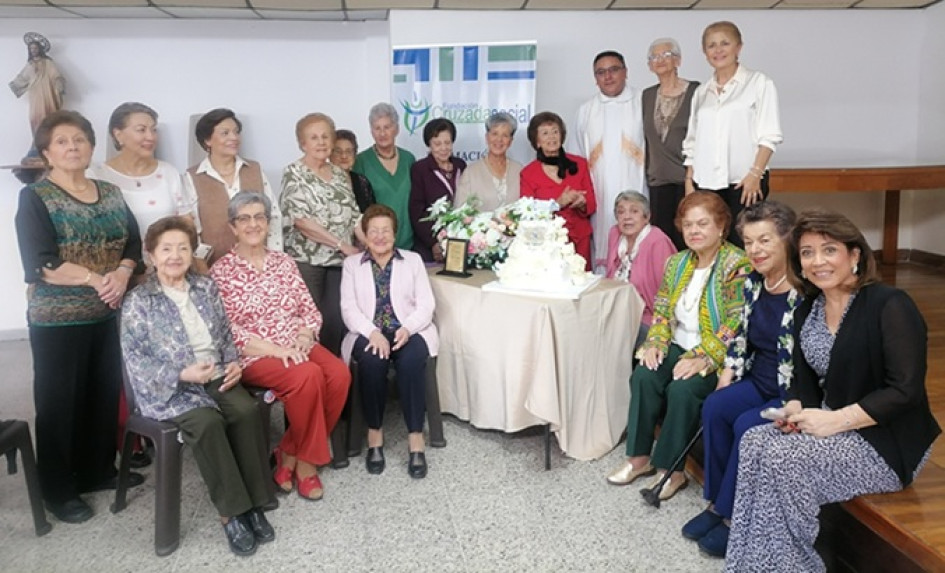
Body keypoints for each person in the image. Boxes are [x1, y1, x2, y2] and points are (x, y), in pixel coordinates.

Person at [725, 210, 941, 572]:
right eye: (807, 253)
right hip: (829, 421)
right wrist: (795, 409)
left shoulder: (890, 305)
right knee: (754, 441)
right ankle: (751, 564)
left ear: (854, 255)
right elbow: (799, 377)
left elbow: (905, 391)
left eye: (829, 250)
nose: (817, 261)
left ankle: (794, 566)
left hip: (885, 439)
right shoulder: (808, 306)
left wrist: (836, 420)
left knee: (783, 460)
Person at [14, 110, 143, 524]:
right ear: (47, 152)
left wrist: (122, 274)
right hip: (58, 319)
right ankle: (58, 488)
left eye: (80, 140)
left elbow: (134, 244)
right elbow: (40, 262)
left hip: (105, 314)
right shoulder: (36, 197)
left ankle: (95, 470)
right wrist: (95, 278)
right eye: (62, 141)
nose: (72, 147)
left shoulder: (109, 191)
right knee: (59, 402)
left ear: (91, 147)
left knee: (101, 395)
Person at [121, 216, 275, 557]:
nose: (175, 256)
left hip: (215, 373)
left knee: (245, 410)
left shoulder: (205, 288)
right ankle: (232, 512)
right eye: (166, 249)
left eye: (183, 248)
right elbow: (136, 360)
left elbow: (225, 337)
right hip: (171, 387)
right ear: (151, 255)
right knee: (208, 422)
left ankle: (256, 502)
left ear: (192, 253)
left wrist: (234, 362)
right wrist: (181, 372)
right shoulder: (139, 301)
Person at [606, 191, 749, 501]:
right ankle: (639, 458)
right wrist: (656, 342)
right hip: (677, 342)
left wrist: (703, 356)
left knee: (682, 388)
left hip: (715, 354)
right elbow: (661, 309)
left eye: (702, 224)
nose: (694, 232)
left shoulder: (737, 264)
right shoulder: (677, 262)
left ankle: (672, 471)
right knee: (644, 373)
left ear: (721, 226)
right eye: (688, 225)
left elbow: (737, 321)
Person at [680, 201, 802, 558]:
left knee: (749, 426)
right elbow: (740, 335)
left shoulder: (803, 290)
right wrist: (728, 373)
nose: (755, 250)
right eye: (749, 242)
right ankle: (719, 503)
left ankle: (737, 518)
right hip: (758, 378)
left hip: (789, 388)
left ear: (787, 239)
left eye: (765, 241)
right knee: (716, 405)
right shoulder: (754, 283)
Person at [212, 192, 351, 500]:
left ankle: (290, 453)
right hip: (255, 353)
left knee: (339, 375)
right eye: (244, 218)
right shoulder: (222, 271)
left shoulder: (284, 262)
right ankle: (307, 467)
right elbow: (225, 330)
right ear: (233, 227)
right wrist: (277, 351)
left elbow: (308, 308)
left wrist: (305, 335)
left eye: (259, 217)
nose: (253, 224)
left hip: (296, 343)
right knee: (307, 376)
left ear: (268, 222)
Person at [340, 205, 439, 479]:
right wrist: (371, 332)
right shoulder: (351, 265)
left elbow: (426, 304)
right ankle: (374, 434)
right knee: (372, 361)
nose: (380, 236)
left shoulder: (413, 260)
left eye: (386, 231)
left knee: (411, 362)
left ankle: (416, 438)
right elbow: (349, 309)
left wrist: (407, 328)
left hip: (408, 330)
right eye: (374, 231)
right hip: (368, 333)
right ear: (365, 235)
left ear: (395, 234)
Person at [683, 21, 783, 248]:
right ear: (704, 52)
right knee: (709, 244)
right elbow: (692, 141)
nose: (718, 50)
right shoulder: (701, 92)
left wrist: (755, 174)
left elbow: (769, 135)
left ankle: (744, 285)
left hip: (745, 182)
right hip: (706, 182)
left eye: (724, 43)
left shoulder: (759, 83)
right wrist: (689, 181)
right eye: (711, 45)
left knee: (744, 243)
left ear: (738, 47)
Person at [281, 113, 363, 356]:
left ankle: (336, 377)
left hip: (340, 262)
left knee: (336, 322)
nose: (321, 142)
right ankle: (314, 379)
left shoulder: (339, 173)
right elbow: (301, 221)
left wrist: (367, 242)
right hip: (308, 263)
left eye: (326, 136)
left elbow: (354, 215)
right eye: (314, 137)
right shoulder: (293, 173)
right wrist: (341, 244)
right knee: (309, 324)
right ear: (302, 143)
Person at [575, 50, 647, 273]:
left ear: (625, 72)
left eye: (614, 70)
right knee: (604, 239)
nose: (608, 76)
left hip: (638, 185)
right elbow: (578, 155)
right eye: (601, 72)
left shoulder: (643, 102)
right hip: (601, 192)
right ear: (595, 78)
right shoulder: (586, 111)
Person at [183, 108, 283, 265]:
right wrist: (202, 268)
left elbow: (274, 217)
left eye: (236, 132)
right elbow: (194, 231)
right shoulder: (192, 177)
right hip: (216, 266)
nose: (234, 137)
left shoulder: (254, 169)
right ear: (207, 140)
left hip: (261, 264)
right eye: (225, 133)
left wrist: (276, 259)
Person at [87, 102, 190, 244]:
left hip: (166, 262)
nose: (151, 137)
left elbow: (187, 223)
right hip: (115, 263)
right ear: (118, 135)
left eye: (153, 130)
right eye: (141, 130)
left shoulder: (169, 173)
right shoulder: (96, 176)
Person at [641, 38, 699, 251]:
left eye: (666, 55)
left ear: (678, 60)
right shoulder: (646, 96)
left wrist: (690, 179)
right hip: (658, 182)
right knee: (662, 244)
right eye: (654, 57)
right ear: (649, 65)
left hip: (688, 181)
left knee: (689, 239)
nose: (660, 60)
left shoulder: (696, 92)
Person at [520, 111, 597, 270]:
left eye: (555, 131)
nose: (552, 137)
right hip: (549, 244)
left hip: (579, 240)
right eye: (545, 133)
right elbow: (528, 213)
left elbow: (591, 204)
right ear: (537, 141)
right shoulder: (528, 173)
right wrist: (558, 203)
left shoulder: (580, 164)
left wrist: (582, 203)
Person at [604, 191, 677, 349]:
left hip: (648, 318)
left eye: (634, 211)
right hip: (616, 310)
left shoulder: (658, 242)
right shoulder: (615, 234)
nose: (627, 217)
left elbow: (669, 294)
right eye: (621, 212)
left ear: (647, 217)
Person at [352, 103, 416, 251]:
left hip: (408, 242)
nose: (382, 133)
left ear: (397, 129)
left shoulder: (409, 159)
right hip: (376, 243)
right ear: (371, 131)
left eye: (387, 127)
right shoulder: (361, 161)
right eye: (377, 128)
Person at [409, 118, 467, 262]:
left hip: (459, 239)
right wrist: (434, 242)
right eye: (437, 143)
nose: (443, 148)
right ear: (429, 144)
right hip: (430, 245)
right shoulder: (420, 169)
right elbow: (416, 211)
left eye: (447, 143)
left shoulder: (461, 165)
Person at [454, 112, 523, 212]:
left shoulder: (519, 170)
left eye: (505, 135)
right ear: (487, 137)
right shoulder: (471, 172)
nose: (499, 139)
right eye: (495, 134)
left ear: (511, 141)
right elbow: (460, 212)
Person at [9, 32, 65, 135]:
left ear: (40, 49)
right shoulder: (30, 64)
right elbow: (22, 77)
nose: (33, 50)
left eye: (35, 48)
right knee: (34, 117)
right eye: (31, 49)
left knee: (48, 116)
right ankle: (37, 140)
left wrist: (59, 84)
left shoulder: (48, 63)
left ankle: (47, 139)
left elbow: (56, 76)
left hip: (47, 94)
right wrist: (15, 85)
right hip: (35, 95)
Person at [332, 129, 376, 213]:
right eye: (338, 151)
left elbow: (371, 215)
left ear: (355, 154)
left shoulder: (362, 181)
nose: (344, 156)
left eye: (349, 151)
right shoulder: (321, 182)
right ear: (329, 153)